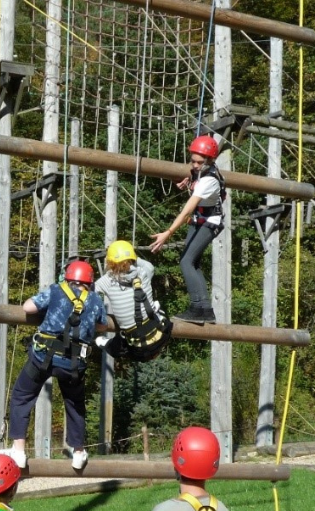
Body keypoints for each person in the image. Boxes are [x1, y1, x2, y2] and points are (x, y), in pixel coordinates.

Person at [5, 260, 109, 471]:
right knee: (74, 403)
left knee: (22, 396)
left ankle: (18, 451)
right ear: (89, 282)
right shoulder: (96, 300)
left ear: (68, 277)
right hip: (74, 363)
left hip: (44, 357)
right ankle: (78, 452)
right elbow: (102, 324)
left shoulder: (55, 290)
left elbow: (28, 307)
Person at [150, 136, 226, 324]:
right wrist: (188, 180)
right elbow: (195, 178)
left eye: (199, 162)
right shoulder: (200, 171)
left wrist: (168, 233)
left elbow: (187, 210)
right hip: (200, 219)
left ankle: (197, 307)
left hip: (210, 221)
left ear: (210, 160)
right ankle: (205, 309)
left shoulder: (209, 179)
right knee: (193, 263)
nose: (194, 165)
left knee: (185, 262)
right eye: (192, 160)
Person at [94, 240, 173, 362]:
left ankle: (109, 344)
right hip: (162, 335)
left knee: (119, 348)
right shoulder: (142, 273)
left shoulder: (106, 281)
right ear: (133, 258)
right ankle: (155, 310)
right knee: (158, 310)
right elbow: (150, 267)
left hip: (139, 349)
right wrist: (133, 256)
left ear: (109, 262)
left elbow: (90, 293)